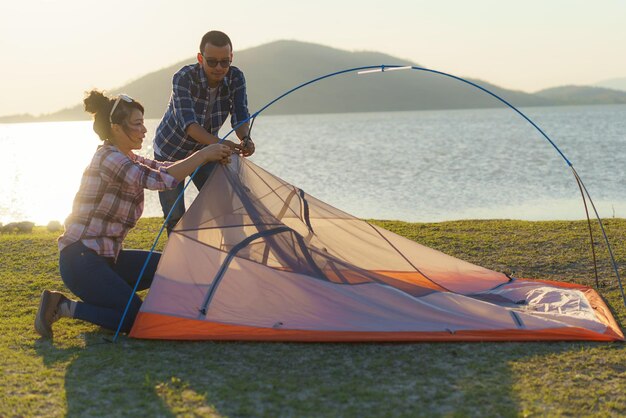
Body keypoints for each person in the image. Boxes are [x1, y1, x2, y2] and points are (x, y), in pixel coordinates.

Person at [34, 90, 231, 339]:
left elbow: (164, 167)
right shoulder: (109, 159)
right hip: (80, 261)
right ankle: (62, 306)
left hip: (108, 259)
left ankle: (121, 302)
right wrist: (203, 154)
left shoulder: (128, 157)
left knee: (172, 266)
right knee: (134, 317)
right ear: (116, 128)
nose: (144, 131)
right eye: (138, 124)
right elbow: (160, 179)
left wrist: (207, 156)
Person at [154, 30, 255, 234]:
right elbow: (190, 126)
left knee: (223, 203)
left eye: (224, 62)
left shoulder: (236, 77)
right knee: (175, 216)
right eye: (212, 62)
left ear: (231, 58)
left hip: (205, 150)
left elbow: (240, 115)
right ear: (200, 58)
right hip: (170, 153)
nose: (219, 68)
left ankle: (230, 254)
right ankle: (177, 262)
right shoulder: (183, 77)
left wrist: (245, 138)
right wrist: (220, 145)